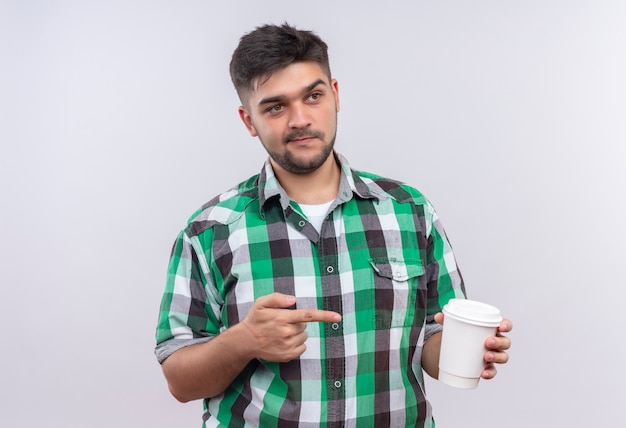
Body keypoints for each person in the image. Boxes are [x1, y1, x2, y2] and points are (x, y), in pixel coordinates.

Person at [155, 23, 512, 427]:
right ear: (248, 120)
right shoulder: (210, 231)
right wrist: (245, 341)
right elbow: (180, 381)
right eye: (275, 107)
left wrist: (469, 348)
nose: (300, 119)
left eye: (313, 96)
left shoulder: (410, 211)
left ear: (335, 95)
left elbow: (432, 338)